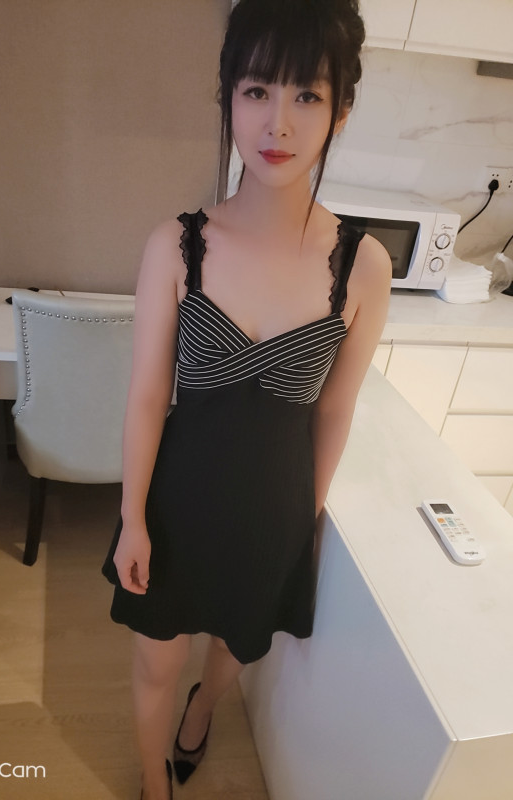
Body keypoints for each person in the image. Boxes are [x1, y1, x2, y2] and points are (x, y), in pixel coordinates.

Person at [102, 1, 392, 798]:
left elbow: (334, 408)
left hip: (273, 506)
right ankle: (153, 785)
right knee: (154, 661)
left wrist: (307, 517)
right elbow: (146, 394)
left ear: (340, 111)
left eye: (307, 95)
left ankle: (203, 713)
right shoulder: (177, 246)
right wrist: (132, 516)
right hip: (176, 504)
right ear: (228, 94)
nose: (278, 122)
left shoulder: (362, 267)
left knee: (236, 646)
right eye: (258, 89)